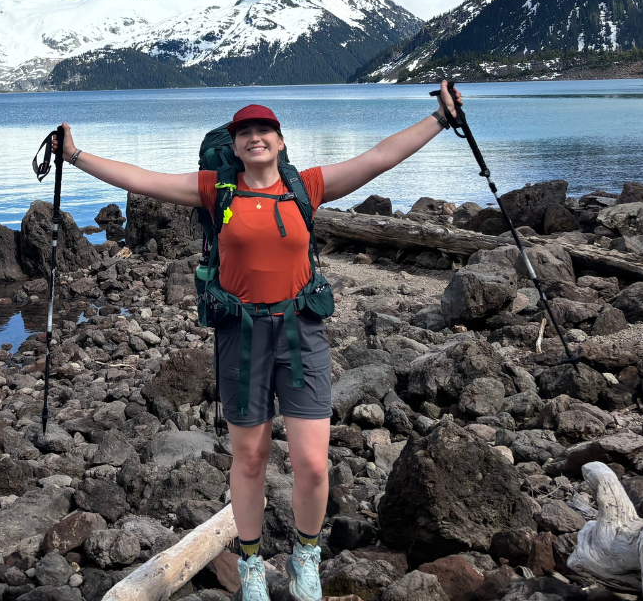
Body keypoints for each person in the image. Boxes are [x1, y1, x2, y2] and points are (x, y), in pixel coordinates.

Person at [55, 80, 462, 601]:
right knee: (249, 459)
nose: (255, 137)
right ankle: (250, 565)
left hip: (301, 333)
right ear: (235, 144)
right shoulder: (214, 190)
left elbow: (379, 157)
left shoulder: (306, 186)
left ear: (280, 140)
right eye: (244, 131)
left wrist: (440, 120)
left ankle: (306, 557)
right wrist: (76, 155)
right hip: (241, 336)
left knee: (313, 464)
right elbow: (142, 179)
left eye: (263, 129)